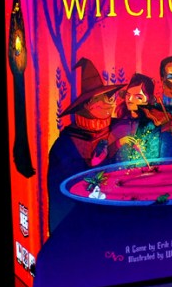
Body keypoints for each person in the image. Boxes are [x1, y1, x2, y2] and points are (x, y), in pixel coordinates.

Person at [47, 58, 123, 232]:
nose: (111, 103)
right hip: (80, 225)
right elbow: (64, 193)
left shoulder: (119, 128)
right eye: (104, 98)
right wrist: (94, 165)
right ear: (88, 105)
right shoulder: (66, 144)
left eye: (111, 97)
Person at [111, 73, 161, 167]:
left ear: (148, 99)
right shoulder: (118, 124)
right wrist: (119, 143)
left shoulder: (152, 125)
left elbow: (155, 155)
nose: (130, 99)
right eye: (128, 95)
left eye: (138, 97)